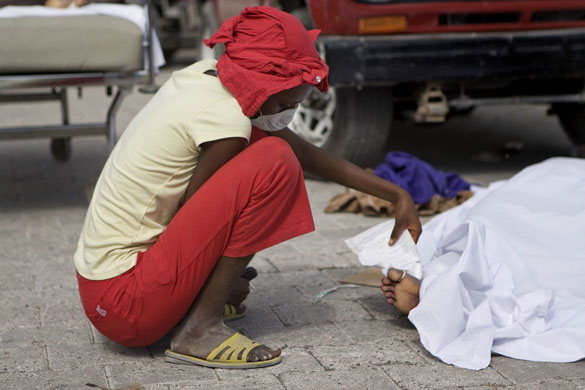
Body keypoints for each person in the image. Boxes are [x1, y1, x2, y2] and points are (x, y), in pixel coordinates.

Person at [74, 6, 421, 370]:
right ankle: (199, 329)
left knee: (280, 151)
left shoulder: (206, 78)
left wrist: (397, 194)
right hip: (125, 304)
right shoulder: (228, 121)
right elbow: (197, 214)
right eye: (288, 104)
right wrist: (215, 283)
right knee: (274, 160)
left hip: (102, 287)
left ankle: (194, 310)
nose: (289, 114)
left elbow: (306, 151)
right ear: (263, 85)